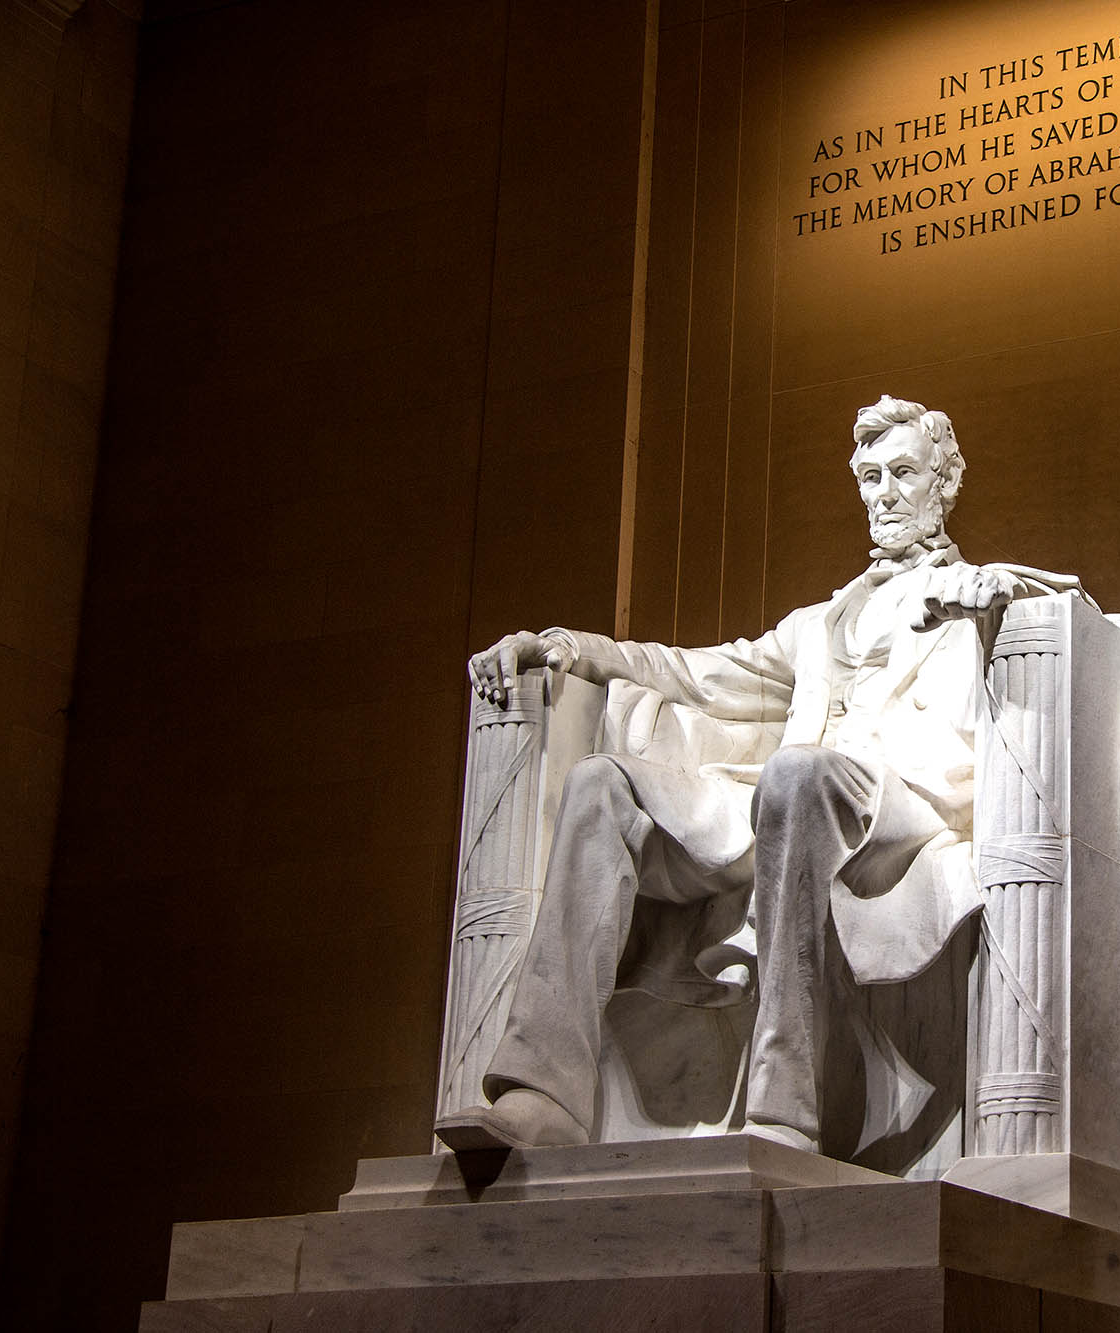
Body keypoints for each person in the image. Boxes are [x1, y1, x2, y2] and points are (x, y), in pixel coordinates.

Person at [437, 395, 1074, 1153]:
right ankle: (545, 1092)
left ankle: (785, 1105)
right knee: (604, 785)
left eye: (904, 472)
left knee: (797, 774)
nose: (884, 494)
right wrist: (573, 648)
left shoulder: (975, 591)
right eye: (871, 477)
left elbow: (1066, 613)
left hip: (901, 805)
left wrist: (994, 602)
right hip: (790, 801)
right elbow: (700, 673)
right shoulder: (819, 624)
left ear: (945, 483)